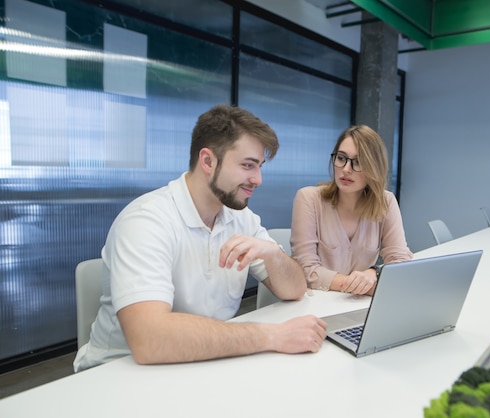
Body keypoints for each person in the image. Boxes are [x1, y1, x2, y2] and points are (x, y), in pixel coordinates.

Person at [73, 104, 326, 372]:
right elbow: (150, 340)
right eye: (247, 166)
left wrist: (274, 255)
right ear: (208, 161)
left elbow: (295, 290)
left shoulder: (241, 218)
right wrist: (272, 335)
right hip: (120, 372)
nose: (258, 179)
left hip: (202, 361)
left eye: (259, 167)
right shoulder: (146, 221)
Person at [291, 125, 413, 296]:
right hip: (316, 303)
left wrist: (373, 273)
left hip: (360, 305)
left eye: (358, 162)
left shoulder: (386, 202)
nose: (346, 169)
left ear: (374, 168)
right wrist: (363, 286)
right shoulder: (309, 199)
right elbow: (306, 269)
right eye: (341, 158)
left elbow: (400, 260)